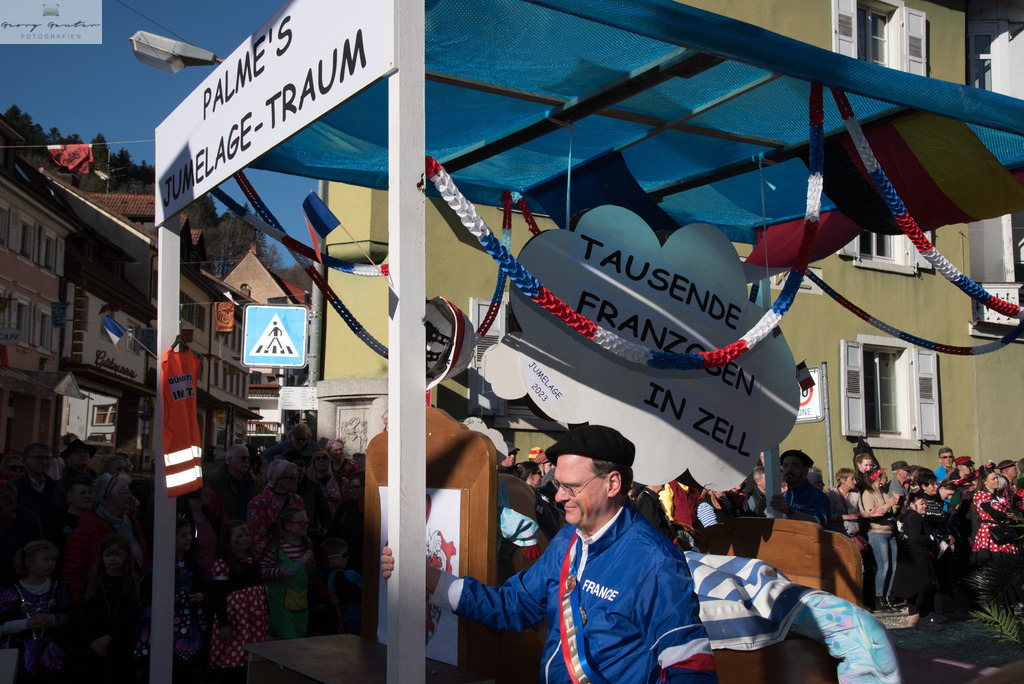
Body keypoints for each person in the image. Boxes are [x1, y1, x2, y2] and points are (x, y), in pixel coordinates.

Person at [381, 424, 717, 683]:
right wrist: (428, 577)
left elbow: (689, 665)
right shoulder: (567, 540)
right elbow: (513, 606)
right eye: (558, 486)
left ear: (613, 484)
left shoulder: (655, 562)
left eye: (572, 488)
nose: (558, 498)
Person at [136, 516, 209, 683]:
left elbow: (202, 589)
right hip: (162, 626)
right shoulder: (157, 565)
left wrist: (200, 596)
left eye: (189, 534)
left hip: (189, 629)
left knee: (186, 671)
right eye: (183, 535)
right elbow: (147, 595)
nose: (188, 538)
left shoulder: (194, 565)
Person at [63, 472, 150, 603]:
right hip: (100, 603)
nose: (130, 496)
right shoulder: (86, 529)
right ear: (111, 497)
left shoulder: (133, 524)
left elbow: (145, 559)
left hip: (133, 599)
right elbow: (73, 574)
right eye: (126, 492)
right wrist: (83, 603)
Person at [0, 540, 72, 681]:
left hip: (53, 652)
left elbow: (69, 617)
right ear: (28, 562)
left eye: (53, 560)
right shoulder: (10, 592)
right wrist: (26, 624)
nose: (51, 563)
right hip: (20, 653)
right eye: (45, 560)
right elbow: (2, 626)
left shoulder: (60, 588)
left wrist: (51, 620)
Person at [73, 534, 141, 684]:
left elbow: (129, 615)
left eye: (117, 554)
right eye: (108, 554)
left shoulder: (131, 582)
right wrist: (95, 641)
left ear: (126, 556)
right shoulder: (93, 581)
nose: (112, 559)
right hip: (94, 644)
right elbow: (84, 613)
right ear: (102, 556)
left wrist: (108, 638)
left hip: (121, 645)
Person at [208, 520, 268, 684]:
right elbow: (218, 595)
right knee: (235, 655)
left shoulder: (252, 560)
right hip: (236, 620)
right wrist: (223, 623)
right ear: (228, 541)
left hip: (255, 619)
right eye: (239, 536)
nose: (245, 538)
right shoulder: (222, 564)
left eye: (247, 535)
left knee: (253, 654)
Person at [261, 507, 315, 639]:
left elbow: (310, 570)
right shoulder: (276, 547)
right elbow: (261, 570)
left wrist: (311, 564)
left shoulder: (305, 545)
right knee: (290, 641)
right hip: (280, 604)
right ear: (288, 525)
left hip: (300, 602)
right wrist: (280, 572)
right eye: (302, 523)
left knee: (298, 637)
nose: (306, 526)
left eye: (306, 522)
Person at [893, 493, 944, 631]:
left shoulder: (906, 515)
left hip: (908, 556)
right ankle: (924, 619)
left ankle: (914, 619)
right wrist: (931, 539)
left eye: (925, 504)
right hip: (917, 557)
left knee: (912, 589)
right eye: (922, 504)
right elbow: (915, 537)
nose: (925, 506)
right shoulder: (914, 517)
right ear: (912, 504)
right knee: (923, 588)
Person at [859, 466, 901, 612]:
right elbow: (875, 513)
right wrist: (889, 504)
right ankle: (879, 598)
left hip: (890, 530)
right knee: (884, 566)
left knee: (893, 567)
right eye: (884, 477)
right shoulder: (868, 493)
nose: (886, 479)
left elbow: (890, 510)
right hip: (877, 532)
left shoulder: (882, 492)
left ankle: (888, 597)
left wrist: (895, 503)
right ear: (877, 479)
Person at [246, 460, 305, 558]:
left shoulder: (298, 501)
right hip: (270, 561)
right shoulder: (257, 503)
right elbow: (257, 539)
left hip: (296, 558)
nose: (297, 480)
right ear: (278, 479)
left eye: (297, 476)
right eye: (293, 477)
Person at [43, 475, 92, 578]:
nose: (88, 496)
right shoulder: (56, 522)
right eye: (82, 493)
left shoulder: (96, 521)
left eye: (90, 493)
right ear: (69, 497)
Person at [770, 449, 831, 527]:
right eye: (785, 465)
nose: (789, 469)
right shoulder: (783, 495)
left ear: (805, 471)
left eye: (795, 465)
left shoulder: (818, 496)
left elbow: (818, 522)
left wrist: (789, 511)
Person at [971, 470, 1019, 565]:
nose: (996, 481)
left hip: (1003, 531)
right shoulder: (981, 495)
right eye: (993, 479)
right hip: (990, 532)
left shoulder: (999, 497)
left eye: (997, 478)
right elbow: (993, 513)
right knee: (993, 563)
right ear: (984, 481)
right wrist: (1008, 516)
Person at [13, 442, 66, 525]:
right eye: (39, 458)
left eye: (48, 458)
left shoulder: (57, 489)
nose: (45, 462)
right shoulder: (14, 488)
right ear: (25, 461)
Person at [325, 469, 366, 575]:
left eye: (356, 487)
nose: (352, 491)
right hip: (347, 562)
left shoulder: (379, 508)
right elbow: (333, 532)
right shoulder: (345, 508)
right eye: (350, 488)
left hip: (369, 562)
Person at [320, 536, 362, 635]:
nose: (348, 557)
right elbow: (357, 595)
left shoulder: (324, 573)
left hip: (328, 621)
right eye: (344, 555)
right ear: (331, 559)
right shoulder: (338, 577)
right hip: (339, 623)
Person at [209, 444, 261, 522]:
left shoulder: (251, 481)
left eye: (248, 458)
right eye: (243, 458)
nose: (246, 461)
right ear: (229, 460)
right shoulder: (217, 482)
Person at [286, 449, 332, 533]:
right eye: (295, 466)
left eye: (301, 465)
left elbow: (323, 510)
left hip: (309, 531)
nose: (299, 469)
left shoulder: (314, 486)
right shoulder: (284, 487)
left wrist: (326, 527)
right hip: (288, 533)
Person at [827, 467, 861, 537]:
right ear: (843, 480)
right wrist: (848, 517)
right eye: (852, 479)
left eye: (855, 479)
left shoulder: (856, 492)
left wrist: (870, 514)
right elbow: (829, 516)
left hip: (854, 533)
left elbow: (861, 511)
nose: (855, 482)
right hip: (839, 535)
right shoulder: (833, 494)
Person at [310, 449, 343, 516]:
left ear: (328, 461)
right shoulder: (309, 483)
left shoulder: (340, 480)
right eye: (318, 458)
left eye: (324, 458)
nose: (321, 460)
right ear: (314, 463)